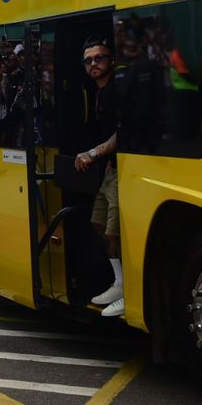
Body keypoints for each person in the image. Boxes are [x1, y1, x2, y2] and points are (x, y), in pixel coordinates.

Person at [75, 37, 125, 317]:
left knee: (113, 230)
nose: (94, 63)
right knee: (97, 224)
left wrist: (94, 153)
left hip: (123, 169)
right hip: (111, 169)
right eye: (89, 60)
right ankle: (118, 281)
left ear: (112, 61)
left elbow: (124, 131)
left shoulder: (117, 91)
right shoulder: (97, 92)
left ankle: (127, 288)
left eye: (100, 58)